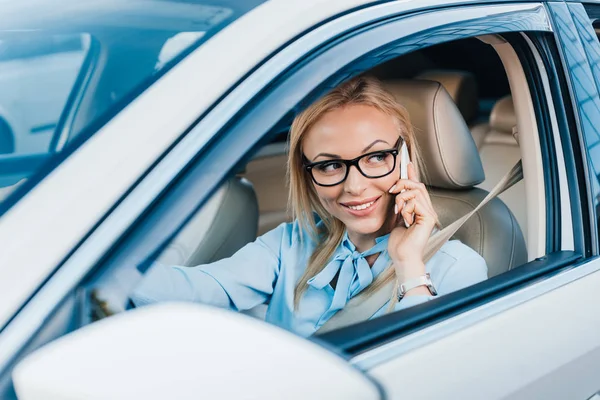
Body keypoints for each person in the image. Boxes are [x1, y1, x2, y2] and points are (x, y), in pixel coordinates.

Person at [130, 76, 487, 337]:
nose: (355, 186)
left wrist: (409, 264)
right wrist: (102, 278)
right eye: (330, 165)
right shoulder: (292, 243)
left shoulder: (459, 268)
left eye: (377, 156)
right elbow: (201, 288)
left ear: (405, 154)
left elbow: (429, 375)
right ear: (308, 174)